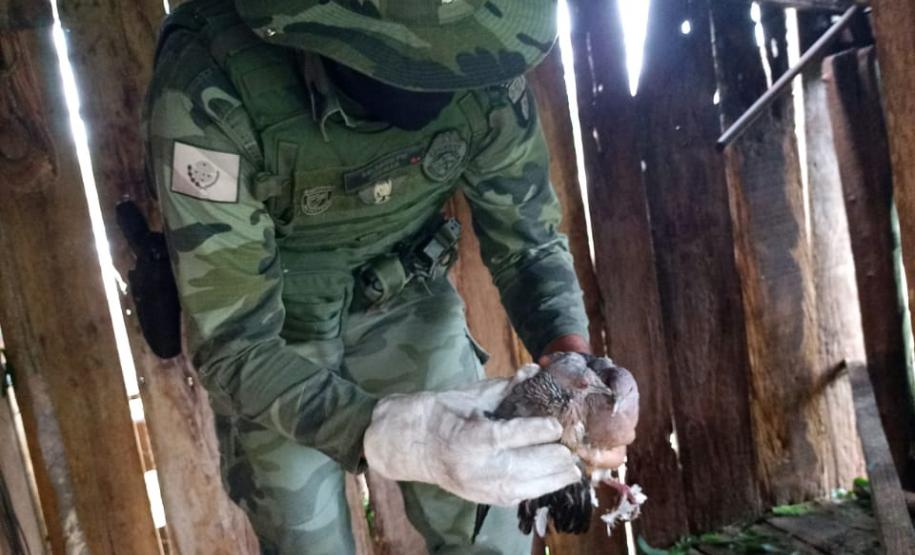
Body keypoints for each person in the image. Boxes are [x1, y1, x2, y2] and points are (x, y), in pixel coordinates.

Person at [142, 0, 636, 553]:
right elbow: (236, 342)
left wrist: (573, 366)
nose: (446, 69)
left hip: (407, 295)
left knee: (489, 529)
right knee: (308, 539)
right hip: (275, 338)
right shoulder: (214, 83)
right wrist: (402, 438)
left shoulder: (488, 53)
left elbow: (529, 244)